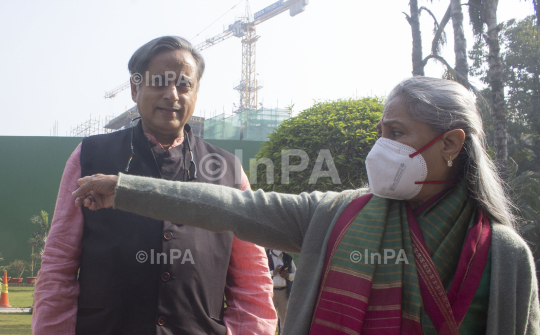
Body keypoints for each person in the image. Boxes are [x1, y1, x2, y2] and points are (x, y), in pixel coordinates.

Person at [73, 77, 540, 335]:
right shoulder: (335, 214)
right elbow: (234, 206)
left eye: (396, 133)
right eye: (381, 132)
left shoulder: (505, 255)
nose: (381, 147)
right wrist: (129, 189)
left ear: (452, 143)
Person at [32, 36, 276, 335]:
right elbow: (59, 260)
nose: (172, 95)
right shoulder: (90, 156)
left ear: (195, 93)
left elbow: (252, 278)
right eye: (159, 82)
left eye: (184, 84)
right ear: (136, 88)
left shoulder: (228, 170)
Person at [267, 249, 296, 334]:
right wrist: (273, 272)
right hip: (270, 292)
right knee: (267, 318)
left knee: (284, 320)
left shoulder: (288, 258)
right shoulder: (265, 256)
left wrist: (288, 275)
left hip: (284, 292)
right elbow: (259, 273)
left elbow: (296, 273)